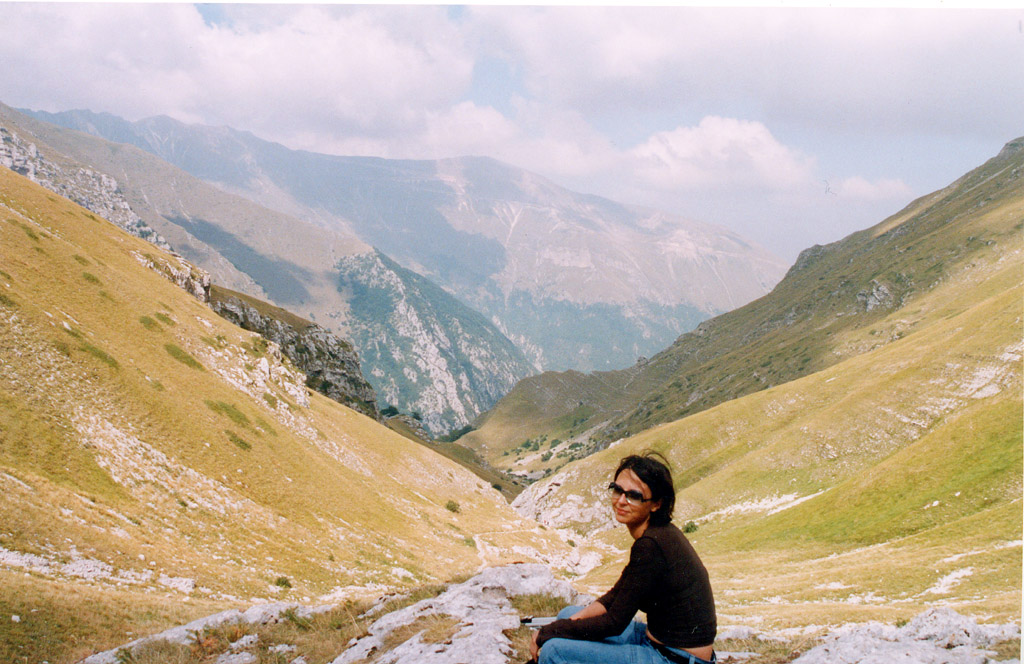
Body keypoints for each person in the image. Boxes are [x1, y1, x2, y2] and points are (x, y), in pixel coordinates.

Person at [530, 451, 716, 664]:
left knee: (554, 651)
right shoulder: (658, 533)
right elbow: (615, 596)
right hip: (659, 644)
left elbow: (614, 622)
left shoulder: (651, 545)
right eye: (617, 490)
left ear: (656, 504)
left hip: (674, 658)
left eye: (634, 496)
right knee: (567, 614)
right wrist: (567, 625)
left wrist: (547, 633)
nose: (621, 501)